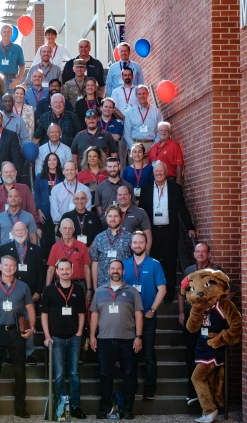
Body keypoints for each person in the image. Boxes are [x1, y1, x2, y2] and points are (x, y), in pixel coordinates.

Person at [0, 255, 35, 419]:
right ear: (0, 267)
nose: (8, 268)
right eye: (5, 265)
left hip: (17, 332)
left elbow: (30, 309)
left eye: (11, 265)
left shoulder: (23, 287)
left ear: (15, 268)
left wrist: (32, 328)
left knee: (19, 370)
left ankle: (20, 407)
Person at [178, 243, 234, 404]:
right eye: (197, 251)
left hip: (211, 321)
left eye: (204, 252)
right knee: (191, 353)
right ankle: (193, 392)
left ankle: (211, 396)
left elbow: (231, 290)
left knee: (208, 355)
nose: (200, 254)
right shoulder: (189, 271)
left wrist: (219, 309)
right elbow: (181, 293)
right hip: (192, 317)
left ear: (209, 254)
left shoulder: (216, 272)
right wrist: (181, 312)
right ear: (194, 253)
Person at [89, 259, 143, 419]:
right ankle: (104, 408)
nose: (115, 271)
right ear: (108, 271)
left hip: (127, 339)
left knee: (129, 374)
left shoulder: (132, 292)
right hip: (104, 339)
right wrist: (92, 335)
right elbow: (94, 314)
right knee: (105, 375)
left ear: (123, 271)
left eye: (118, 268)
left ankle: (127, 408)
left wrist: (138, 336)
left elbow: (139, 315)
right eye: (113, 268)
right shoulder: (99, 291)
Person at [138, 162, 196, 303]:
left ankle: (169, 295)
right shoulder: (146, 189)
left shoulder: (175, 188)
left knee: (170, 264)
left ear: (166, 172)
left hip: (170, 232)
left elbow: (182, 208)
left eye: (161, 171)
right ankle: (154, 294)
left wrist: (190, 227)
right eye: (156, 171)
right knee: (153, 264)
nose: (158, 173)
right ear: (153, 173)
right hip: (152, 233)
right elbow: (141, 212)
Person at [122, 231, 167, 400]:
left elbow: (162, 289)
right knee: (129, 355)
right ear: (131, 245)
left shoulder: (154, 264)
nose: (138, 245)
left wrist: (153, 310)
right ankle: (131, 387)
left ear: (146, 244)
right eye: (135, 242)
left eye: (141, 242)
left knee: (148, 354)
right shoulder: (124, 265)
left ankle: (150, 388)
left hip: (147, 317)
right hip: (128, 319)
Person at [41, 258, 87, 419]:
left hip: (74, 337)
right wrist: (47, 336)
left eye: (68, 269)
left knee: (74, 373)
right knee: (59, 374)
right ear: (56, 271)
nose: (65, 272)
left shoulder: (79, 289)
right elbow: (44, 315)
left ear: (72, 269)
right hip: (56, 339)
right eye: (62, 269)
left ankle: (75, 406)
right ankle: (61, 407)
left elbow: (82, 313)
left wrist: (80, 332)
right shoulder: (49, 290)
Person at [0, 222, 44, 365]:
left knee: (28, 323)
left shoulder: (36, 250)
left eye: (22, 229)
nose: (20, 232)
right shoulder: (4, 248)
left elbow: (41, 273)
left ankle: (29, 353)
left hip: (30, 295)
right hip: (9, 294)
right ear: (12, 232)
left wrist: (38, 291)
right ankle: (10, 354)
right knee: (9, 323)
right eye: (17, 230)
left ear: (27, 231)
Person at [0, 162, 40, 243]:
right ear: (1, 174)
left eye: (11, 172)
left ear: (16, 173)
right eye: (6, 172)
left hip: (23, 232)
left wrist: (37, 227)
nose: (9, 174)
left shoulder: (24, 189)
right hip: (1, 232)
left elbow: (32, 209)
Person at [46, 218, 93, 301]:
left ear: (73, 230)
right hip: (60, 285)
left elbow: (86, 269)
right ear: (60, 230)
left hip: (79, 284)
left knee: (80, 312)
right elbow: (51, 270)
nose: (67, 231)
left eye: (70, 228)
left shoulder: (82, 246)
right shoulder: (55, 247)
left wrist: (89, 289)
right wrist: (47, 289)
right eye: (64, 228)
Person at [89, 205, 133, 288]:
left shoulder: (129, 237)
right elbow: (95, 263)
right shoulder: (99, 238)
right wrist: (95, 288)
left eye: (116, 216)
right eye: (110, 216)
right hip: (103, 286)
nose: (113, 219)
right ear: (106, 218)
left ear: (121, 218)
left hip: (124, 286)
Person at [0, 189, 38, 265]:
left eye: (16, 196)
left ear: (20, 199)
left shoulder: (29, 217)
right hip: (5, 254)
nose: (13, 198)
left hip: (24, 254)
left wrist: (34, 256)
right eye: (10, 196)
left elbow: (33, 238)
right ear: (7, 200)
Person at [34, 153, 64, 257]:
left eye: (54, 160)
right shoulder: (40, 177)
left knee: (59, 235)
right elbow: (36, 194)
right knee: (47, 237)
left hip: (60, 210)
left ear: (58, 162)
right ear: (46, 162)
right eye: (49, 160)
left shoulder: (62, 176)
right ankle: (48, 259)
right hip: (45, 210)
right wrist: (38, 210)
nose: (52, 162)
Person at [123, 85, 163, 158]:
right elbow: (126, 134)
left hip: (151, 145)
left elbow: (159, 133)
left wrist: (153, 148)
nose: (141, 96)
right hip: (135, 146)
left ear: (148, 94)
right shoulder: (130, 113)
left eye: (143, 93)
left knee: (152, 169)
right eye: (139, 94)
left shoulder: (156, 112)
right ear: (136, 95)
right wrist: (135, 149)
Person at [0, 24, 26, 90]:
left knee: (9, 100)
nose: (6, 33)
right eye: (4, 32)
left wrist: (17, 80)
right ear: (1, 33)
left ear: (12, 34)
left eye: (9, 32)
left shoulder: (17, 48)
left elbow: (22, 67)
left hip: (11, 81)